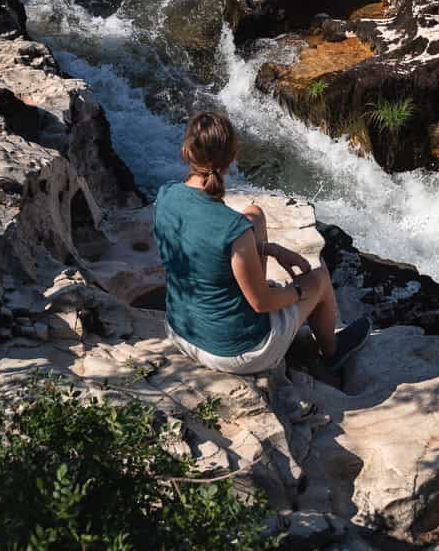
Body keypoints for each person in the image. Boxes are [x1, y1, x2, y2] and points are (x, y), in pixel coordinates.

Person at [153, 111, 370, 376]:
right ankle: (333, 353)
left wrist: (271, 249)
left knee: (254, 214)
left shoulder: (165, 196)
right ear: (232, 157)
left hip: (181, 331)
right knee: (321, 278)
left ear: (187, 150)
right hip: (237, 352)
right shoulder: (232, 228)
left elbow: (203, 248)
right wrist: (302, 289)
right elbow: (261, 303)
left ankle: (259, 284)